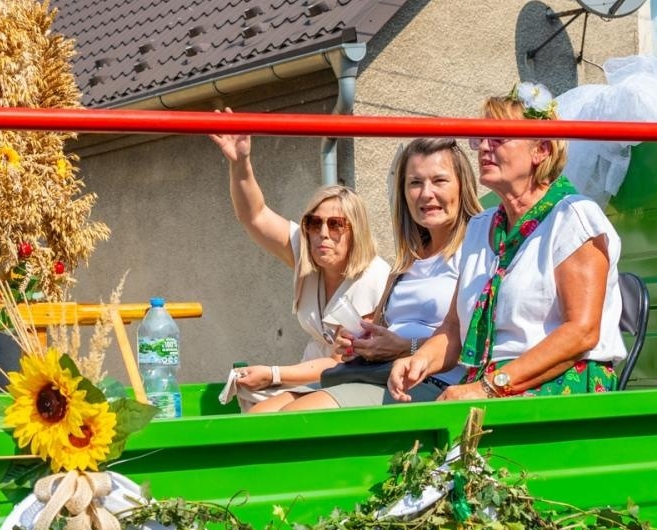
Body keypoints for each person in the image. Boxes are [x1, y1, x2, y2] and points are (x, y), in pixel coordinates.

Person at [389, 83, 625, 403]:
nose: (484, 147)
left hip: (561, 386)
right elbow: (455, 326)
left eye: (498, 136)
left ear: (540, 150)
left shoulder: (573, 218)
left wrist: (488, 387)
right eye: (481, 137)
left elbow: (581, 333)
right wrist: (420, 361)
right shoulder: (479, 227)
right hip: (493, 386)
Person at [279, 136, 482, 411]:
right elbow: (384, 333)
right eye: (415, 182)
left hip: (432, 383)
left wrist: (405, 347)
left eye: (439, 181)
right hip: (378, 375)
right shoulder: (405, 263)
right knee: (261, 414)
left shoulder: (477, 248)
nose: (426, 193)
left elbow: (479, 341)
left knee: (293, 415)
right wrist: (358, 341)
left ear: (462, 185)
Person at [210, 121, 390, 412]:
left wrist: (273, 374)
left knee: (275, 419)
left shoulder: (375, 279)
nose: (323, 233)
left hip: (355, 381)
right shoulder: (307, 252)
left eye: (336, 225)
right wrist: (240, 162)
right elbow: (254, 215)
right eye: (313, 222)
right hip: (316, 376)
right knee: (253, 419)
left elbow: (338, 362)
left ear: (356, 230)